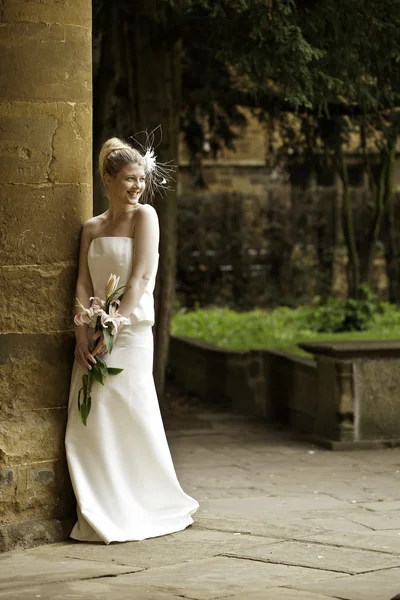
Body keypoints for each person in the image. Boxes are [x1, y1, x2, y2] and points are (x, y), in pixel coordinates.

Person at [65, 136, 199, 543]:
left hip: (131, 332)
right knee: (88, 419)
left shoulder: (146, 218)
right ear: (107, 178)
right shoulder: (90, 228)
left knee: (131, 414)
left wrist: (115, 323)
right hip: (94, 334)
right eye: (128, 179)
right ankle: (100, 506)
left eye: (141, 179)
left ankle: (143, 502)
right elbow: (83, 281)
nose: (137, 186)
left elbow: (140, 277)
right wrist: (81, 332)